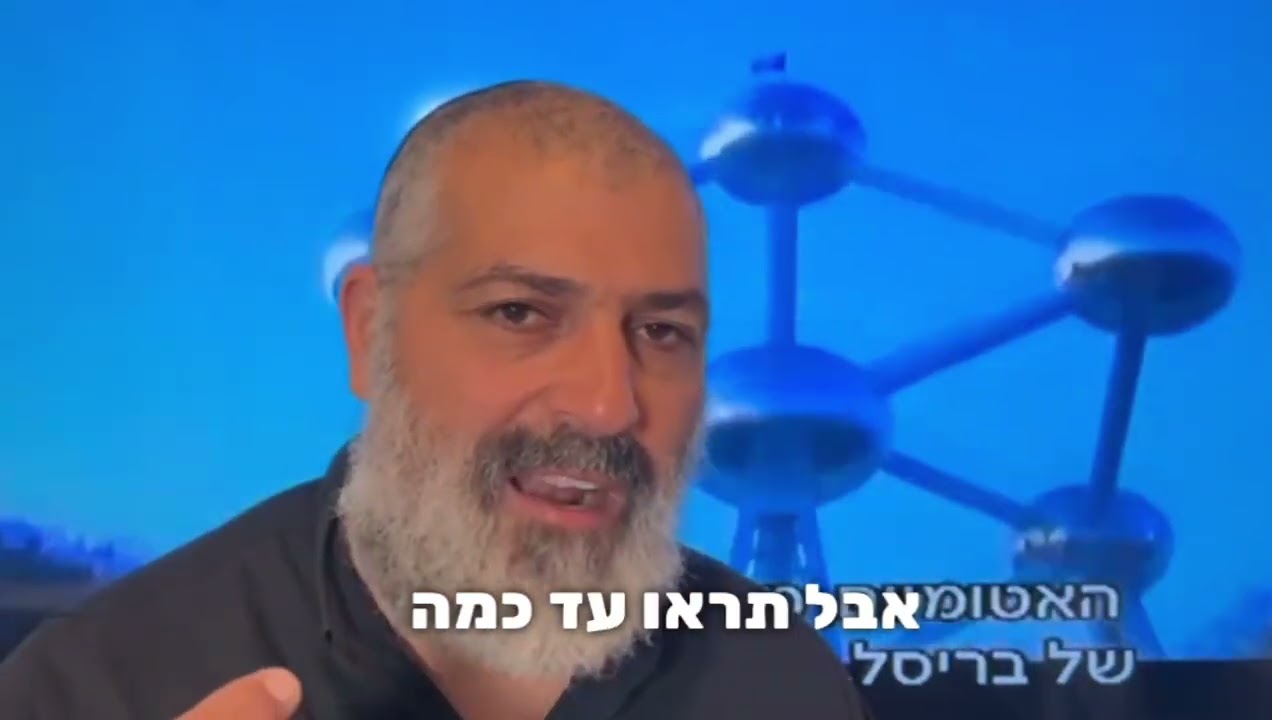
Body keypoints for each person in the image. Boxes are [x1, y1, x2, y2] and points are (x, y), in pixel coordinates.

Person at [0, 80, 870, 719]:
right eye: (520, 313)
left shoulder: (777, 682)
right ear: (369, 332)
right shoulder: (100, 689)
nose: (609, 406)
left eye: (662, 332)